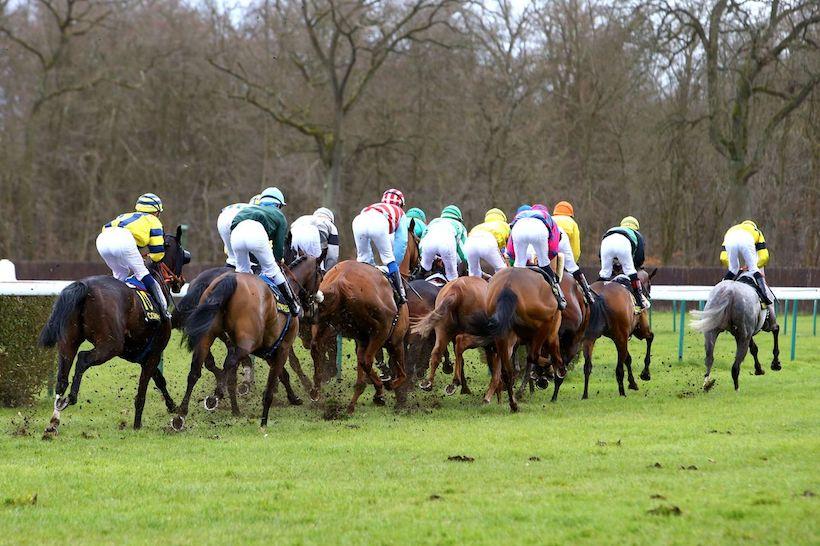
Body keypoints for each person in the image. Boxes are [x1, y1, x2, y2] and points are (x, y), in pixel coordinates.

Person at [96, 193, 170, 319]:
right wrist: (149, 258)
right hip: (123, 240)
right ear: (156, 212)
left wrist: (133, 254)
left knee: (120, 276)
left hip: (102, 239)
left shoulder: (124, 215)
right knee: (143, 274)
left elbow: (107, 228)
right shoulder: (154, 220)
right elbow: (158, 253)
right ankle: (164, 312)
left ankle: (111, 310)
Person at [229, 187, 301, 316]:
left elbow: (233, 224)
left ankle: (235, 303)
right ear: (278, 204)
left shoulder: (249, 208)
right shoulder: (279, 215)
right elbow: (279, 247)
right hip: (255, 232)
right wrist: (278, 260)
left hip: (236, 233)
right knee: (273, 270)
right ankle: (293, 304)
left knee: (242, 271)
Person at [506, 204, 566, 310]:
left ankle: (511, 289)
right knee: (544, 263)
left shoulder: (520, 216)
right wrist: (547, 259)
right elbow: (553, 248)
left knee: (519, 265)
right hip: (538, 230)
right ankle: (558, 294)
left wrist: (513, 258)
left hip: (518, 229)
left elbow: (510, 249)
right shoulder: (549, 219)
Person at [352, 188, 407, 304]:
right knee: (388, 258)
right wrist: (394, 265)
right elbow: (402, 243)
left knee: (363, 259)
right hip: (378, 222)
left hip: (358, 220)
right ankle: (401, 295)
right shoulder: (400, 212)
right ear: (400, 204)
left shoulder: (373, 206)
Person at [600, 216, 649, 311]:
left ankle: (594, 296)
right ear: (636, 228)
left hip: (606, 242)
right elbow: (639, 258)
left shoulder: (613, 230)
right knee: (631, 272)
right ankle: (639, 301)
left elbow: (600, 256)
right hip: (623, 244)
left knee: (604, 274)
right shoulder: (637, 235)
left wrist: (613, 267)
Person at [720, 220, 772, 305]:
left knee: (733, 269)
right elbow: (764, 257)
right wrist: (753, 266)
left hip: (729, 239)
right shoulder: (757, 232)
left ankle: (721, 291)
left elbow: (723, 257)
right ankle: (764, 297)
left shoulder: (732, 229)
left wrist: (735, 267)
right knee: (754, 269)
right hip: (746, 239)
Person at [553, 201, 594, 305]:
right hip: (563, 243)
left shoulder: (550, 219)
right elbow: (575, 248)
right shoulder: (572, 223)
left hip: (550, 248)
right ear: (570, 214)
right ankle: (587, 292)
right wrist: (573, 262)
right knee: (573, 267)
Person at [419, 205, 468, 282]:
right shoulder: (460, 226)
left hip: (428, 245)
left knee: (424, 267)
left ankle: (416, 279)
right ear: (459, 218)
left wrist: (425, 257)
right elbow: (463, 252)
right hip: (446, 246)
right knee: (452, 278)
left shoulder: (433, 221)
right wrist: (465, 263)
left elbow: (422, 241)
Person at [217, 194, 260, 268]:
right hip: (237, 223)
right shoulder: (260, 214)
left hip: (223, 216)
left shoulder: (244, 208)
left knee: (232, 259)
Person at [290, 207, 340, 271]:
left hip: (295, 231)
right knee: (317, 266)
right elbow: (333, 255)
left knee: (296, 265)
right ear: (331, 219)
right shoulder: (330, 225)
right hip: (316, 235)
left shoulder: (303, 218)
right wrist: (328, 272)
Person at [464, 208, 509, 277]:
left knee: (474, 273)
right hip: (488, 241)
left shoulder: (478, 226)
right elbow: (506, 248)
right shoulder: (505, 225)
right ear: (503, 218)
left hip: (469, 242)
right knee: (502, 271)